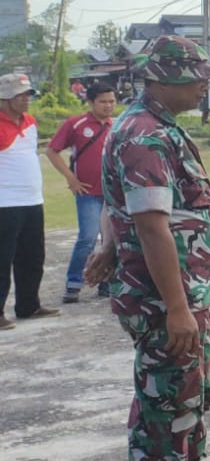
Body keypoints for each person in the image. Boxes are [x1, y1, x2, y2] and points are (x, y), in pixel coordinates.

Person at [85, 36, 210, 461]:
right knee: (165, 392)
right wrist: (175, 307)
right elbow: (151, 225)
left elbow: (123, 207)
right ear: (162, 78)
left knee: (193, 383)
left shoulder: (154, 127)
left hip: (183, 288)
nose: (203, 85)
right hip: (162, 296)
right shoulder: (143, 135)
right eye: (196, 76)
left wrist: (107, 244)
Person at [46, 80, 118, 303]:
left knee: (111, 240)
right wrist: (71, 179)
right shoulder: (75, 124)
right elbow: (52, 151)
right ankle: (73, 283)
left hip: (111, 194)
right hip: (88, 193)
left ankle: (106, 282)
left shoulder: (116, 126)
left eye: (112, 101)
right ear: (90, 102)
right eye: (103, 102)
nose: (108, 106)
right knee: (87, 238)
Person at [0, 72, 54, 328]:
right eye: (19, 95)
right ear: (5, 98)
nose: (25, 99)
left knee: (33, 256)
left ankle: (28, 304)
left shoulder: (30, 122)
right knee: (2, 259)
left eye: (27, 94)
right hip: (4, 202)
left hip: (32, 199)